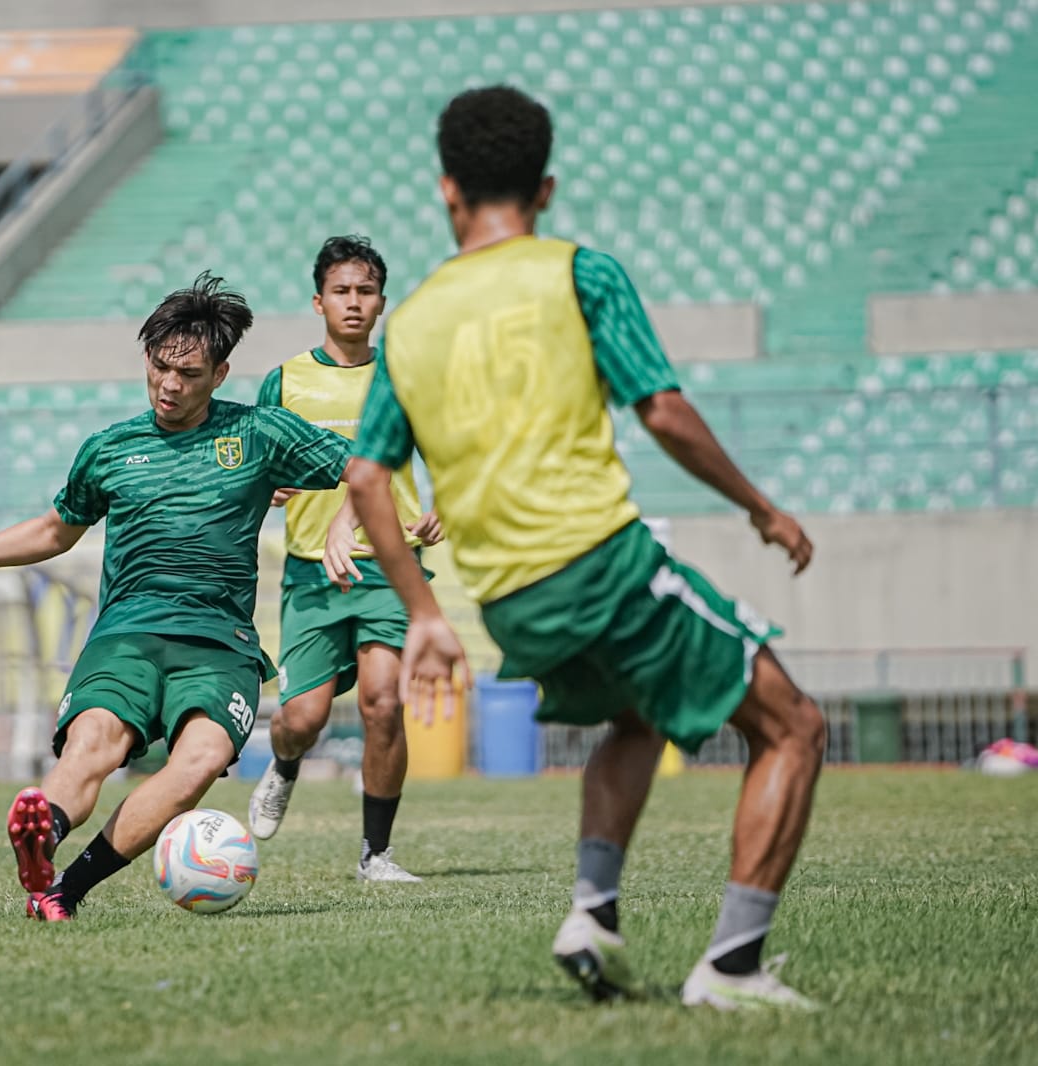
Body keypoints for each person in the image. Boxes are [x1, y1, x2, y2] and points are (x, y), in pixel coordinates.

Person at [343, 86, 827, 1010]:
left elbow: (367, 478)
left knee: (638, 719)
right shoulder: (579, 274)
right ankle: (732, 968)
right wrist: (762, 507)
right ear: (547, 187)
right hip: (600, 561)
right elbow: (665, 412)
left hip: (510, 599)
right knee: (794, 728)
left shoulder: (413, 321)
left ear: (448, 191)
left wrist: (424, 616)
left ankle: (593, 914)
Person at [0, 273, 357, 922]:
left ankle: (65, 891)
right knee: (96, 742)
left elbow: (365, 463)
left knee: (198, 760)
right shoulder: (112, 449)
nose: (170, 385)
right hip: (127, 635)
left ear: (221, 373)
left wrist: (343, 518)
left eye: (190, 373)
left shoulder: (260, 435)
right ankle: (44, 834)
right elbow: (55, 530)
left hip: (218, 646)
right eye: (159, 366)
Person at [247, 235, 444, 883]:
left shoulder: (404, 374)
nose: (353, 303)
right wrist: (266, 485)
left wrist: (451, 500)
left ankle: (375, 855)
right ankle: (284, 764)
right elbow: (258, 461)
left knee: (383, 702)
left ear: (382, 304)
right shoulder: (284, 380)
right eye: (341, 291)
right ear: (318, 301)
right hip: (311, 572)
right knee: (299, 720)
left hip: (391, 566)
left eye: (365, 292)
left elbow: (447, 453)